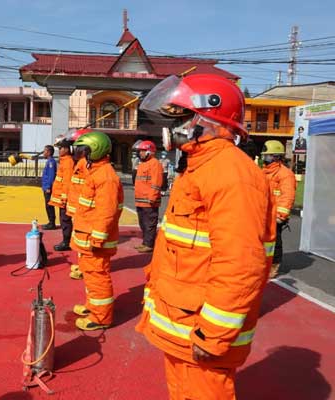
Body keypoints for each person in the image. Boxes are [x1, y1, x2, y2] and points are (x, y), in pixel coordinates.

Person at [135, 73, 275, 399]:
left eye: (181, 117)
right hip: (184, 324)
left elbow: (241, 263)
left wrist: (213, 334)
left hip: (201, 331)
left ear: (205, 118)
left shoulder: (230, 172)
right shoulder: (200, 166)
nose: (174, 127)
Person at [70, 131, 123, 330]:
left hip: (94, 241)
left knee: (97, 276)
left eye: (85, 151)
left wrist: (97, 238)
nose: (82, 155)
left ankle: (101, 318)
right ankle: (93, 306)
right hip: (87, 237)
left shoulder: (106, 177)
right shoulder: (96, 171)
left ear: (95, 150)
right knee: (91, 276)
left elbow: (106, 212)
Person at [262, 140, 296, 278]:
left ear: (276, 156)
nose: (265, 158)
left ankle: (274, 265)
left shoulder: (285, 174)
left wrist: (281, 215)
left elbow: (288, 195)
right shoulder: (264, 172)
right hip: (263, 212)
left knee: (274, 242)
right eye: (265, 156)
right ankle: (263, 262)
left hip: (275, 214)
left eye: (268, 156)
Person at [65, 128, 94, 280]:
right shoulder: (82, 162)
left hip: (82, 210)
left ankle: (85, 267)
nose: (73, 149)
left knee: (83, 242)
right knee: (79, 241)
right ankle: (82, 264)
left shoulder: (87, 164)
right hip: (77, 209)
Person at [133, 140, 163, 253]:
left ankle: (149, 244)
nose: (140, 153)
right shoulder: (142, 165)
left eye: (143, 151)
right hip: (140, 200)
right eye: (140, 151)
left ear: (150, 151)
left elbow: (156, 183)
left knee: (150, 224)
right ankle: (145, 242)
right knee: (143, 223)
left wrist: (152, 198)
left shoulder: (155, 164)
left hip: (149, 201)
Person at [48, 135, 75, 251]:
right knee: (64, 220)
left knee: (65, 220)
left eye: (61, 148)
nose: (59, 150)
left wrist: (64, 198)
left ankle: (66, 242)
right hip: (61, 198)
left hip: (64, 199)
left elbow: (67, 182)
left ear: (67, 149)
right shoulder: (64, 161)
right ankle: (66, 240)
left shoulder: (68, 162)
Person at [41, 144, 57, 230]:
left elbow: (51, 176)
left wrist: (48, 187)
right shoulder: (49, 161)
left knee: (49, 205)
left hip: (48, 187)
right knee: (47, 205)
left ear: (49, 152)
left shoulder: (51, 162)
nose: (43, 153)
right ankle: (50, 222)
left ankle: (52, 223)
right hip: (45, 186)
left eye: (44, 151)